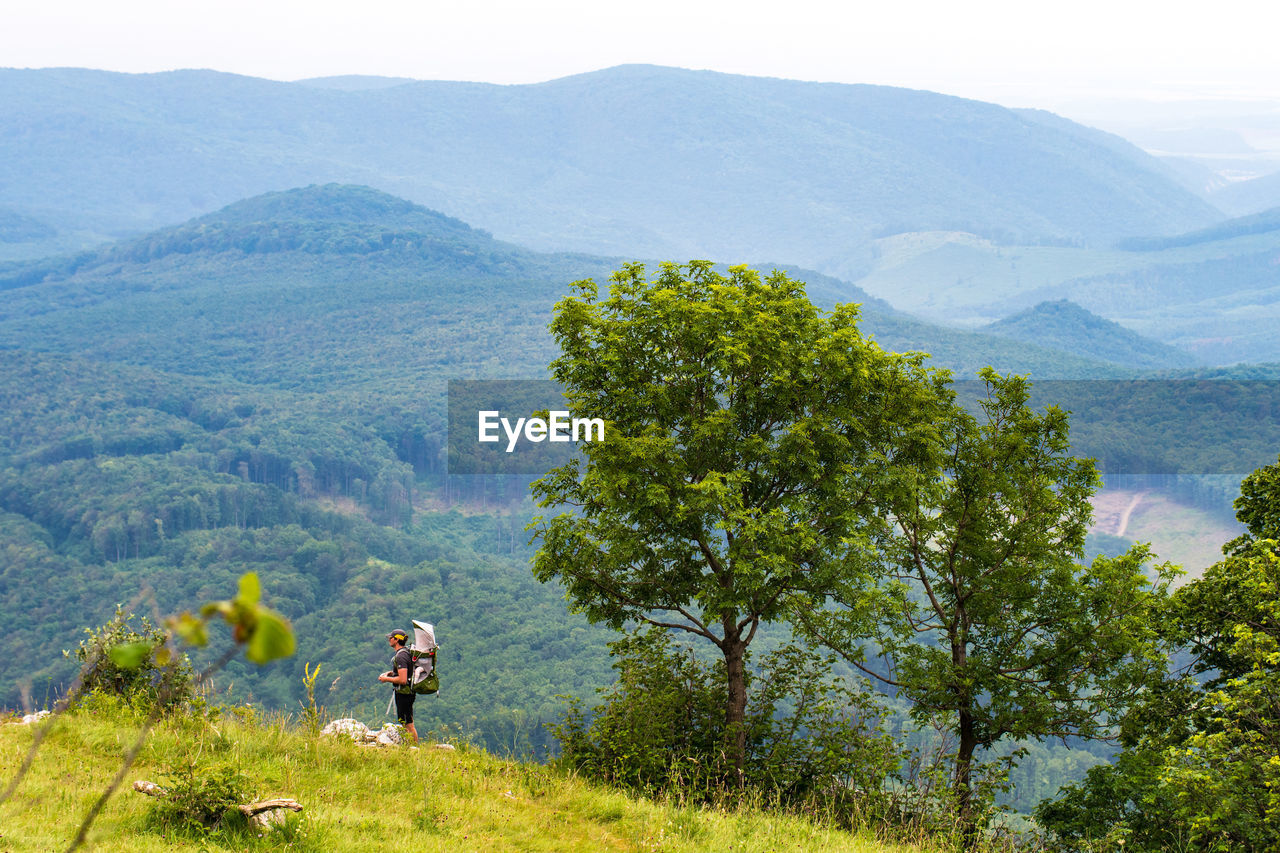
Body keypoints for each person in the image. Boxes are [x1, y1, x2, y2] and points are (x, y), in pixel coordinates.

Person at [377, 629, 418, 743]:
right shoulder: (406, 653)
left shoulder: (401, 656)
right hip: (408, 693)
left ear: (397, 640)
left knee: (408, 724)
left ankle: (414, 748)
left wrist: (386, 679)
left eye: (391, 638)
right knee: (407, 722)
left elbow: (403, 679)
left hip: (404, 694)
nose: (389, 640)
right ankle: (413, 746)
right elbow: (404, 672)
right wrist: (391, 673)